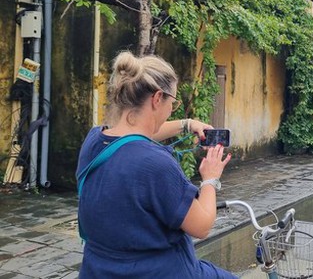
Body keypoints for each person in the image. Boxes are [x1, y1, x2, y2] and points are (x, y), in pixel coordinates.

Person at [76, 51, 237, 278]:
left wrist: (187, 124)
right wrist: (210, 179)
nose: (172, 109)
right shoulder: (155, 164)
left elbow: (136, 136)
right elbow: (201, 226)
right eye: (172, 102)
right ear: (157, 98)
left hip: (99, 269)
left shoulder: (94, 141)